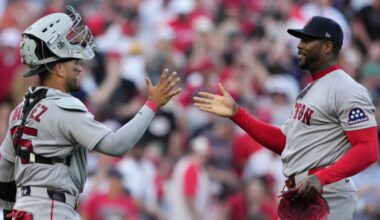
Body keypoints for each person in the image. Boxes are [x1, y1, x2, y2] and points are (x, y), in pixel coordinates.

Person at [0, 5, 181, 220]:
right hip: (52, 210)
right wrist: (152, 105)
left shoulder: (20, 110)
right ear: (57, 68)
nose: (79, 68)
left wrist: (11, 212)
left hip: (26, 209)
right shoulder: (64, 107)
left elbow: (4, 173)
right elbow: (116, 145)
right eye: (74, 62)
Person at [193, 16, 379, 220]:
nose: (299, 45)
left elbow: (368, 149)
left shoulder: (347, 89)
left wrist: (323, 177)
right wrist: (238, 114)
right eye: (301, 40)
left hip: (328, 193)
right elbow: (286, 142)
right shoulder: (311, 88)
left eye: (308, 40)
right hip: (303, 192)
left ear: (327, 46)